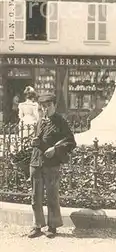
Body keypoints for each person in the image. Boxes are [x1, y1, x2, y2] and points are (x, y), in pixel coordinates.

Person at [28, 93, 76, 239]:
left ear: (54, 105)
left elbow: (71, 142)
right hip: (36, 162)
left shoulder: (61, 121)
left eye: (49, 105)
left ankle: (52, 226)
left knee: (52, 196)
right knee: (35, 196)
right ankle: (37, 226)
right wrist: (33, 141)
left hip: (52, 164)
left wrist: (55, 149)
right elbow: (38, 140)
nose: (46, 108)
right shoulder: (41, 121)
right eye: (43, 106)